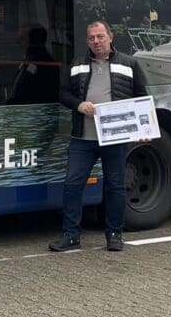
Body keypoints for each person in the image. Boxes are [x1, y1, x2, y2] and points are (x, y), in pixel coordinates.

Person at [50, 20, 148, 253]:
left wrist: (144, 131)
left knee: (115, 186)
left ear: (110, 37)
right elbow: (63, 93)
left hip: (115, 139)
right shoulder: (76, 65)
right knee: (72, 185)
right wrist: (79, 104)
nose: (96, 41)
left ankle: (114, 234)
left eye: (100, 36)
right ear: (87, 41)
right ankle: (71, 235)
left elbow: (142, 98)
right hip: (82, 137)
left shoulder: (129, 64)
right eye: (91, 37)